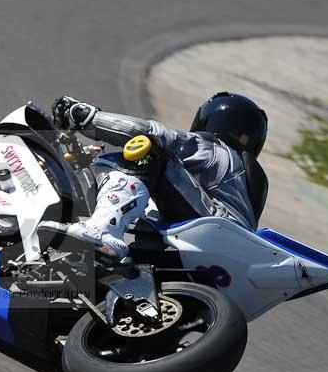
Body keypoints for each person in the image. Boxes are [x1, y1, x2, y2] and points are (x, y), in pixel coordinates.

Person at [39, 92, 268, 259]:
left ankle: (100, 230)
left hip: (214, 228)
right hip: (231, 248)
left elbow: (148, 133)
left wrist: (84, 117)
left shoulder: (213, 148)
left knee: (148, 149)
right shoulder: (240, 176)